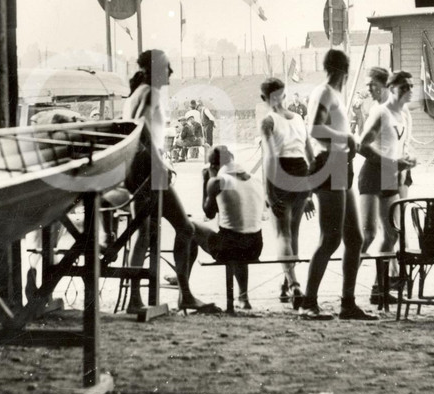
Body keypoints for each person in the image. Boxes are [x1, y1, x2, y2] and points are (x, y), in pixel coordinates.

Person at [121, 49, 216, 314]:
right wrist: (161, 162)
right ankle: (184, 295)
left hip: (137, 168)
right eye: (167, 67)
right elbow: (141, 131)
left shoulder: (136, 94)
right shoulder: (149, 93)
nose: (171, 72)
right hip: (148, 169)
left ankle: (135, 299)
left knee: (144, 233)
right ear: (154, 69)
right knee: (185, 229)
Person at [301, 49, 377, 321]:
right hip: (329, 164)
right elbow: (315, 130)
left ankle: (348, 303)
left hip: (341, 165)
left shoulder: (334, 95)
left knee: (354, 238)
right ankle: (308, 302)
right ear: (343, 71)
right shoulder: (324, 93)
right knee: (331, 238)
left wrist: (348, 140)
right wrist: (347, 137)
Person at [358, 70, 416, 306]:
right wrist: (392, 163)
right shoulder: (380, 112)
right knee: (369, 234)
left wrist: (406, 161)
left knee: (392, 233)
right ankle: (348, 288)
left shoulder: (403, 114)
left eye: (411, 87)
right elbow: (362, 146)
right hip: (372, 175)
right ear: (391, 89)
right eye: (404, 87)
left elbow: (401, 145)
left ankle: (379, 288)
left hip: (391, 176)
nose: (409, 91)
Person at [260, 77, 316, 308]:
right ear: (283, 94)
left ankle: (294, 285)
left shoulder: (268, 121)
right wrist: (310, 192)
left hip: (281, 173)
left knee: (282, 235)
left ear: (264, 98)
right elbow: (310, 156)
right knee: (294, 234)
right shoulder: (299, 119)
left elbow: (269, 157)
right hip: (301, 174)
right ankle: (287, 283)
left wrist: (268, 192)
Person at [192, 146, 264, 311]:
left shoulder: (217, 181)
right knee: (239, 235)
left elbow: (209, 213)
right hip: (255, 248)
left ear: (213, 166)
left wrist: (206, 181)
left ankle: (184, 289)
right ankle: (243, 297)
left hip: (229, 249)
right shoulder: (255, 179)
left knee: (189, 227)